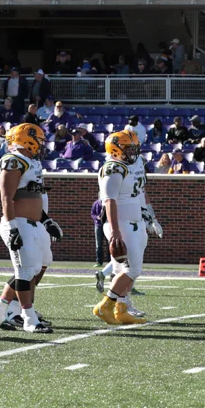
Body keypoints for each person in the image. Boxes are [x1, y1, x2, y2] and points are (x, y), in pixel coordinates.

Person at [0, 122, 58, 334]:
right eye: (39, 140)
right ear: (27, 139)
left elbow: (32, 196)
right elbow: (5, 195)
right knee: (25, 271)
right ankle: (28, 318)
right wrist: (12, 224)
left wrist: (46, 220)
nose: (41, 145)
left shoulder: (28, 160)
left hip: (33, 223)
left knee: (34, 268)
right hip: (20, 223)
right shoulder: (13, 160)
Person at [92, 129, 149, 326]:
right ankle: (105, 305)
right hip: (122, 224)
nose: (133, 152)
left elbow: (139, 193)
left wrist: (148, 215)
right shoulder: (113, 167)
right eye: (128, 148)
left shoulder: (129, 165)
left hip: (134, 222)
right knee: (132, 270)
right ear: (115, 149)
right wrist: (115, 232)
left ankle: (121, 309)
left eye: (134, 148)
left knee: (122, 270)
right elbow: (110, 201)